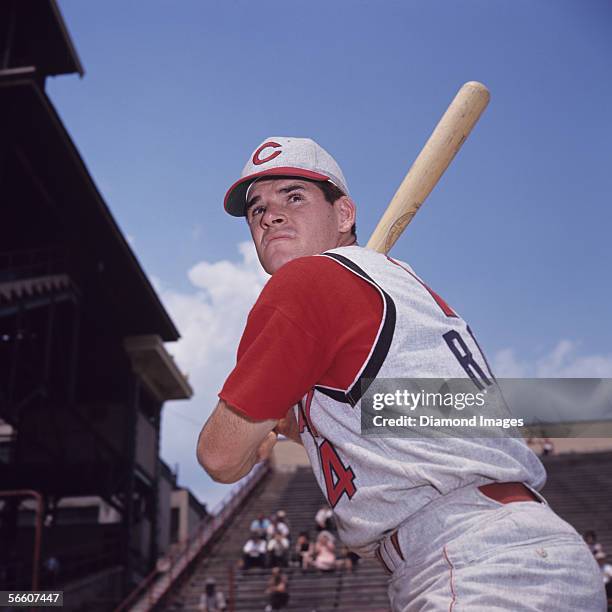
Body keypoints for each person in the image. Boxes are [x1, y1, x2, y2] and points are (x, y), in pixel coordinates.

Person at [197, 136, 605, 610]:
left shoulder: (307, 282)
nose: (271, 215)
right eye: (256, 210)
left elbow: (218, 457)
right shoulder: (398, 284)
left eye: (294, 196)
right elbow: (398, 412)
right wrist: (295, 420)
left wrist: (256, 423)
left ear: (344, 214)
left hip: (474, 560)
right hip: (527, 552)